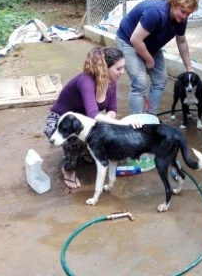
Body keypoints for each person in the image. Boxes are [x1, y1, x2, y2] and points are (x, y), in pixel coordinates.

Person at [44, 46, 141, 189]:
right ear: (104, 68)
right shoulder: (86, 81)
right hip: (60, 123)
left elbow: (112, 110)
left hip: (83, 121)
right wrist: (124, 124)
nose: (122, 72)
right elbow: (94, 115)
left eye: (123, 68)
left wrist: (111, 121)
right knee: (74, 137)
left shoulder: (111, 82)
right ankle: (69, 169)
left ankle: (85, 149)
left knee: (106, 127)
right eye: (118, 68)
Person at [116, 0, 199, 115]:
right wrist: (148, 59)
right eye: (183, 12)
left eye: (188, 14)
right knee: (140, 83)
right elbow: (135, 40)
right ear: (174, 3)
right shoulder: (155, 13)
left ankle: (150, 117)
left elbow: (181, 41)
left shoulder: (181, 19)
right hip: (129, 41)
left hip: (149, 43)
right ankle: (136, 124)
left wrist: (189, 67)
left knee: (161, 78)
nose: (185, 16)